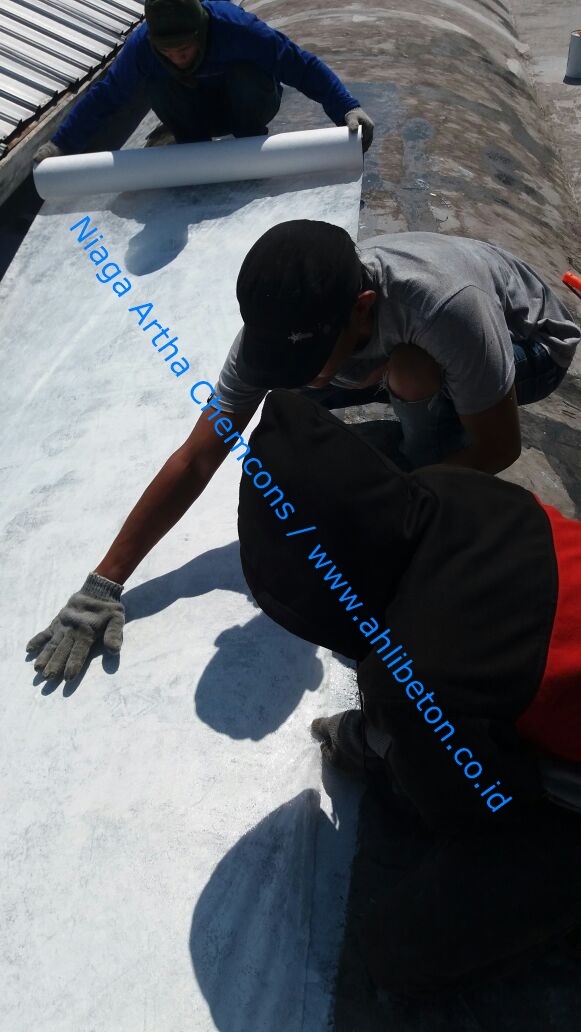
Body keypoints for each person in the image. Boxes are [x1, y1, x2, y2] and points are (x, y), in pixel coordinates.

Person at [26, 220, 579, 681]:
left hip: (530, 344)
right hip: (393, 341)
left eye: (311, 358)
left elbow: (500, 446)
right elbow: (198, 456)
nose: (302, 375)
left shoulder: (444, 308)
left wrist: (399, 504)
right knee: (298, 395)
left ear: (362, 308)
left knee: (412, 371)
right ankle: (405, 407)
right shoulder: (280, 323)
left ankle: (421, 446)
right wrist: (105, 582)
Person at [235, 387, 581, 994]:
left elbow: (485, 812)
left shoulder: (413, 678)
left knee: (399, 949)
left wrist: (397, 747)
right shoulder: (447, 489)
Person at [33, 0, 374, 163]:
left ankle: (248, 142)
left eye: (184, 49)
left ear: (201, 31)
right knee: (156, 84)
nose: (177, 57)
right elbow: (106, 95)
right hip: (196, 111)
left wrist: (346, 108)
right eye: (167, 52)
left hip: (249, 105)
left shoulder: (237, 29)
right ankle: (192, 148)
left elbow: (300, 65)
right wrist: (60, 145)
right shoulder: (142, 47)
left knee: (247, 72)